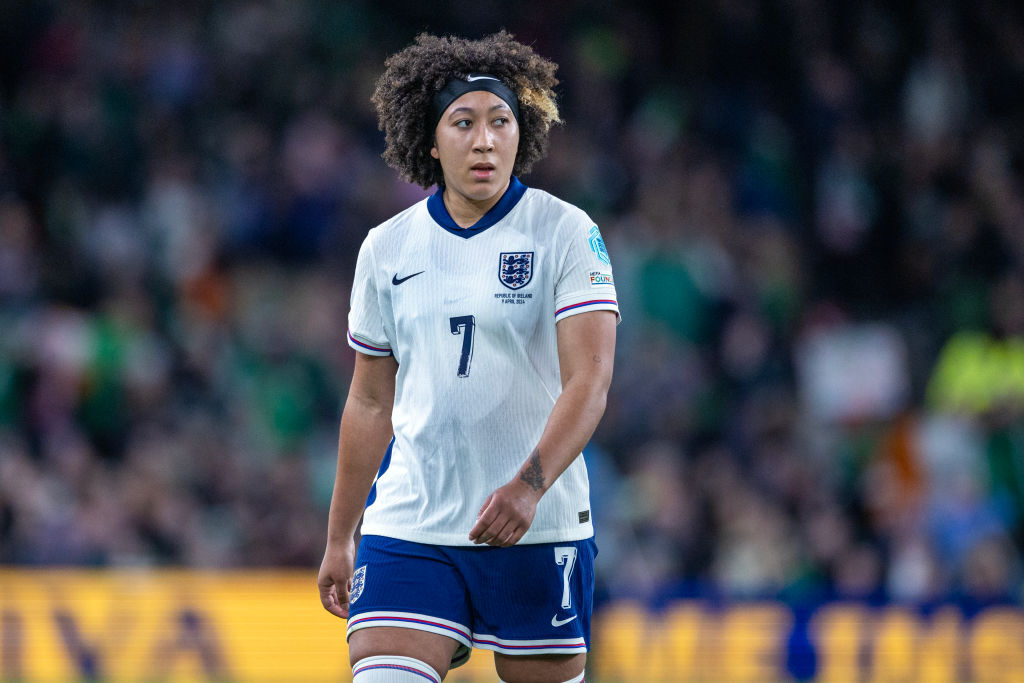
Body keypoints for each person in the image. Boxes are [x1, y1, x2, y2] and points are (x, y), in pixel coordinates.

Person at [317, 31, 619, 683]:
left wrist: (529, 484)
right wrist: (341, 535)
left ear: (522, 133)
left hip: (537, 528)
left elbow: (590, 382)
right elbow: (370, 400)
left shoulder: (567, 233)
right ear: (430, 139)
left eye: (500, 122)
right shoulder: (386, 248)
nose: (484, 140)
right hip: (411, 523)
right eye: (463, 123)